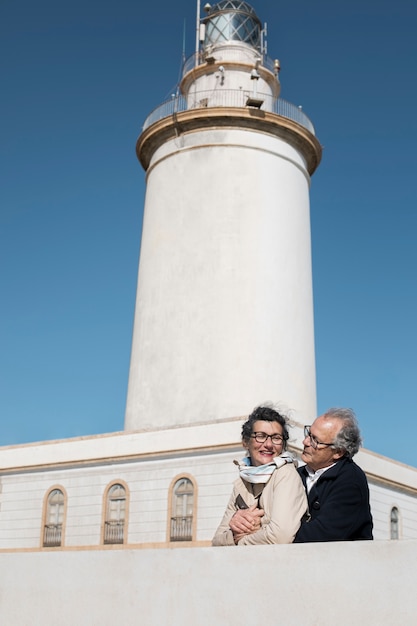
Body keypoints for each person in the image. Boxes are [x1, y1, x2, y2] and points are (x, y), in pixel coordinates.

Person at [212, 404, 309, 546]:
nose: (268, 444)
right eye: (260, 436)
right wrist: (235, 531)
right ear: (246, 442)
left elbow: (280, 537)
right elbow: (216, 542)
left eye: (276, 438)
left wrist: (240, 541)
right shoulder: (243, 480)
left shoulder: (286, 474)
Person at [293, 407, 373, 542]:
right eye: (308, 434)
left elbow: (322, 534)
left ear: (338, 452)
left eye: (315, 440)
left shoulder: (351, 481)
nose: (305, 442)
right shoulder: (296, 474)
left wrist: (275, 532)